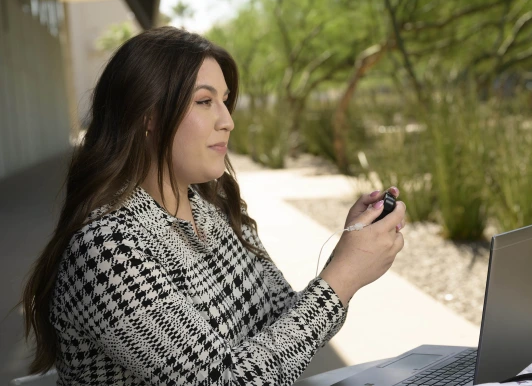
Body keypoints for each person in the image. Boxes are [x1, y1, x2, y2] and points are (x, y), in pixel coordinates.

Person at [22, 26, 406, 385]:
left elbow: (284, 325)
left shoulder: (214, 208)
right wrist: (342, 278)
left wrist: (348, 253)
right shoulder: (107, 251)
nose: (227, 121)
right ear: (147, 118)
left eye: (224, 101)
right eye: (205, 101)